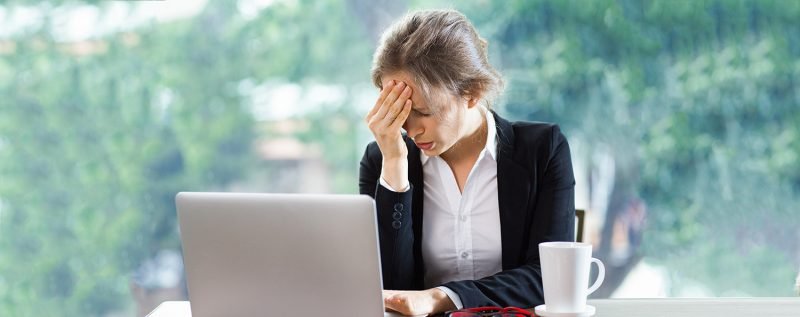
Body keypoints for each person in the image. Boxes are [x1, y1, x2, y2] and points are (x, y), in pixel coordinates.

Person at [359, 9, 575, 316]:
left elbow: (549, 278)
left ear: (471, 92)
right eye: (398, 111)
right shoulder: (381, 159)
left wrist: (442, 297)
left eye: (422, 111)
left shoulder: (543, 151)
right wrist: (395, 164)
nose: (410, 128)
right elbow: (388, 289)